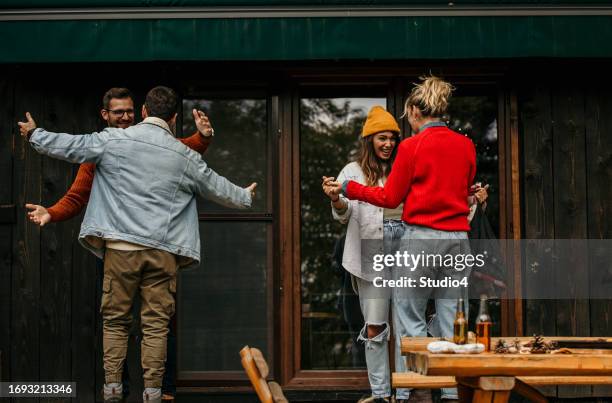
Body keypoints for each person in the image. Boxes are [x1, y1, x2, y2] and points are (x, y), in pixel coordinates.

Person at [19, 86, 257, 403]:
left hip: (121, 252)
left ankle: (113, 391)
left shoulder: (112, 140)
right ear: (173, 118)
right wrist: (246, 195)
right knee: (156, 327)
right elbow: (217, 186)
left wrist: (35, 135)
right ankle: (154, 394)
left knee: (116, 323)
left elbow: (71, 146)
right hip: (163, 254)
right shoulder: (183, 155)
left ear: (143, 111)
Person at [324, 75, 479, 402]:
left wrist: (351, 189)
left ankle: (413, 395)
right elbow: (460, 193)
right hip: (458, 242)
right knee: (451, 325)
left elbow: (391, 198)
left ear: (413, 110)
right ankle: (451, 393)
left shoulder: (412, 146)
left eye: (405, 117)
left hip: (421, 241)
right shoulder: (466, 145)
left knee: (409, 323)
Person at [322, 106, 403, 403]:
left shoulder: (402, 169)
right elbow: (343, 216)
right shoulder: (352, 172)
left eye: (392, 139)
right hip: (371, 258)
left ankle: (405, 393)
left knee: (407, 328)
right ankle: (381, 394)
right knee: (376, 327)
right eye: (382, 138)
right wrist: (336, 200)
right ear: (369, 140)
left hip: (406, 256)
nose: (388, 144)